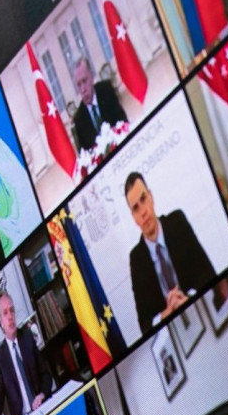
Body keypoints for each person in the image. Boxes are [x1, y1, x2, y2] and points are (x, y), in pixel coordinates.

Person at [125, 172, 215, 334]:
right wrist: (165, 316)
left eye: (143, 199)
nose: (143, 212)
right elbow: (144, 325)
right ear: (133, 217)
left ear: (152, 197)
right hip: (175, 335)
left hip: (202, 312)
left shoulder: (177, 222)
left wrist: (189, 300)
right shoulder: (136, 260)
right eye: (136, 208)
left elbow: (208, 273)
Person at [0, 292, 52, 415]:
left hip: (42, 410)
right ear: (0, 321)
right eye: (5, 313)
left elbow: (46, 373)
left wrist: (42, 394)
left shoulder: (27, 339)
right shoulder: (0, 356)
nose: (10, 316)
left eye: (12, 310)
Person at [72, 57, 127, 152]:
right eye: (79, 85)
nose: (83, 89)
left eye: (84, 81)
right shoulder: (79, 119)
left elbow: (123, 122)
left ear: (92, 77)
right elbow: (85, 154)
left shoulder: (107, 91)